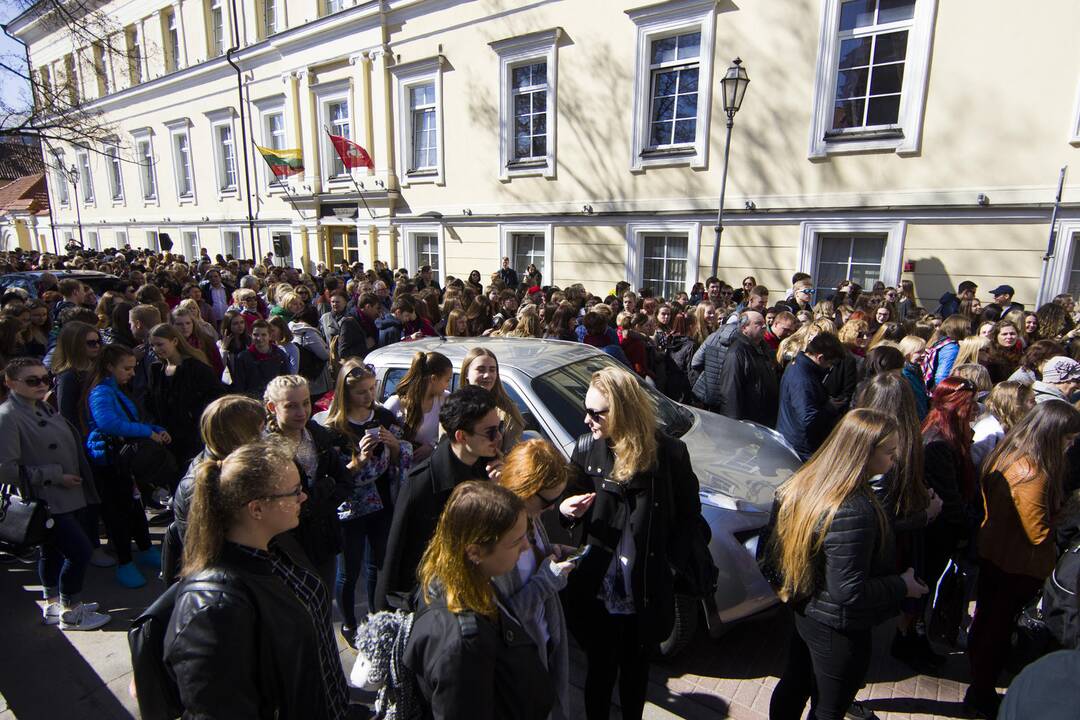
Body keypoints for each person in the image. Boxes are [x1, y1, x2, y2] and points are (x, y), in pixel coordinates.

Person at [163, 441, 350, 719]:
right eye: (295, 492)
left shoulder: (277, 544)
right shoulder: (214, 607)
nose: (304, 498)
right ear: (257, 509)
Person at [559, 366, 701, 720]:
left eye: (596, 412)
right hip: (596, 588)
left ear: (623, 410)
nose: (587, 418)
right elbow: (560, 515)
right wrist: (564, 509)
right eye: (586, 409)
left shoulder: (669, 454)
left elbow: (689, 518)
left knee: (636, 673)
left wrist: (669, 567)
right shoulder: (585, 449)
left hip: (646, 587)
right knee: (600, 671)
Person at [767, 409, 928, 720]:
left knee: (795, 682)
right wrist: (902, 585)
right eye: (890, 452)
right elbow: (848, 592)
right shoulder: (853, 508)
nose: (895, 460)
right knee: (829, 706)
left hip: (805, 609)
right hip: (837, 627)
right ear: (863, 453)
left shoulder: (808, 481)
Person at [965, 402, 1080, 718]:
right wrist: (1067, 513)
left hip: (996, 554)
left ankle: (980, 679)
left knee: (988, 622)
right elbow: (1037, 533)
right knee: (997, 628)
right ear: (1051, 435)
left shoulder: (1009, 451)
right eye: (1067, 440)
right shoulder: (1033, 472)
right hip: (1016, 565)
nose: (1070, 447)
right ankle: (982, 690)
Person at [403, 481, 553, 720]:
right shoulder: (461, 644)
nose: (526, 546)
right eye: (515, 542)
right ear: (475, 552)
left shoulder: (466, 579)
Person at [0, 357, 111, 630]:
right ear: (11, 383)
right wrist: (54, 475)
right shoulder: (8, 417)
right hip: (45, 499)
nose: (42, 384)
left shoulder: (40, 407)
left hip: (63, 496)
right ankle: (71, 611)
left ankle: (53, 604)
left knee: (51, 552)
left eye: (45, 378)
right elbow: (5, 469)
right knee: (80, 551)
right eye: (32, 380)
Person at [374, 385, 504, 611]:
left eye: (498, 428)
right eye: (490, 432)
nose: (499, 437)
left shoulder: (488, 469)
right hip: (435, 601)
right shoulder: (422, 484)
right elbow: (395, 556)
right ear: (461, 436)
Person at [314, 361, 412, 642]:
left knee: (378, 564)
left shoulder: (382, 416)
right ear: (346, 393)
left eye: (372, 389)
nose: (369, 397)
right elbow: (334, 476)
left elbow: (399, 460)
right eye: (361, 392)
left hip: (382, 503)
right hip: (350, 510)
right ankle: (349, 624)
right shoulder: (334, 428)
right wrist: (358, 462)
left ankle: (374, 616)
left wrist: (394, 447)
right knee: (349, 569)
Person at [853, 374, 944, 672]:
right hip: (874, 547)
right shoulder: (888, 451)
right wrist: (926, 514)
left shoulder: (861, 435)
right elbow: (879, 519)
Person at [494, 440, 576, 720]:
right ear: (525, 489)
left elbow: (534, 568)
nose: (553, 508)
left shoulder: (528, 517)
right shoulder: (497, 541)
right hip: (522, 667)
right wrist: (548, 580)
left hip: (544, 647)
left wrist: (551, 552)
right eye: (548, 501)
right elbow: (502, 622)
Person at [84, 344, 170, 588]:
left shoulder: (117, 390)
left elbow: (129, 419)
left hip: (122, 460)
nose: (132, 373)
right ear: (110, 367)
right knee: (117, 513)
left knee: (134, 506)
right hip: (109, 461)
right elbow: (109, 423)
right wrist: (147, 432)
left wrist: (155, 430)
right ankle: (125, 561)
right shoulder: (101, 392)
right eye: (127, 368)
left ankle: (144, 548)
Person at [163, 394, 266, 586]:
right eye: (260, 430)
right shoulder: (206, 480)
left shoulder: (230, 466)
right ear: (240, 434)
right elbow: (212, 549)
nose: (265, 436)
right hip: (223, 582)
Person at [263, 375, 351, 591]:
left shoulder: (318, 437)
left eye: (305, 403)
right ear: (272, 407)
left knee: (323, 599)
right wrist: (322, 491)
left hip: (323, 540)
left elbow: (344, 481)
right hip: (287, 546)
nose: (301, 412)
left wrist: (322, 501)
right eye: (291, 406)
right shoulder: (266, 448)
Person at [921, 376, 980, 614]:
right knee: (927, 579)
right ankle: (910, 634)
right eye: (971, 404)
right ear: (956, 405)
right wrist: (966, 529)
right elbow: (949, 497)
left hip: (944, 526)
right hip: (936, 530)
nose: (976, 410)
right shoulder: (938, 443)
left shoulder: (951, 432)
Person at [145, 323, 225, 470]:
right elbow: (152, 401)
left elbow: (215, 397)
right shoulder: (156, 370)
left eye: (160, 344)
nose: (156, 349)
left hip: (193, 436)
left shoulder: (196, 368)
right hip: (167, 437)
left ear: (175, 342)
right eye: (153, 345)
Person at [695, 311, 779, 426]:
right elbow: (730, 392)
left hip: (763, 419)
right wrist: (733, 425)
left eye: (764, 323)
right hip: (747, 421)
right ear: (745, 328)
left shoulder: (763, 348)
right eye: (758, 323)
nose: (764, 326)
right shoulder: (736, 353)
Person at [776, 332, 846, 461]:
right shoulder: (803, 378)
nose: (830, 368)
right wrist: (830, 407)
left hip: (796, 440)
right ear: (820, 358)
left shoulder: (800, 367)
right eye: (830, 363)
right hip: (800, 447)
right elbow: (808, 418)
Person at [382, 350, 452, 462]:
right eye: (447, 380)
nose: (448, 385)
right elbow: (382, 439)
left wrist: (432, 446)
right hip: (403, 472)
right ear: (433, 379)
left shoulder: (445, 399)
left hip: (431, 468)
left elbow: (453, 432)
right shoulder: (395, 404)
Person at [460, 346, 526, 453]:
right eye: (480, 369)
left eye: (492, 370)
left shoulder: (509, 413)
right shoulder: (453, 408)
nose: (487, 375)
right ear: (466, 373)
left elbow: (513, 456)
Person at [971, 381, 1035, 469]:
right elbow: (975, 467)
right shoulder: (988, 432)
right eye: (1032, 401)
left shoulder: (1010, 427)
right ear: (1015, 405)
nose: (1036, 405)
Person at [232, 319, 291, 398]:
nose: (259, 338)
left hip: (275, 399)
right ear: (251, 335)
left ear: (269, 336)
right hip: (253, 402)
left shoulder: (279, 355)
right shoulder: (243, 357)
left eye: (263, 335)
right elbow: (240, 387)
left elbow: (286, 380)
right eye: (256, 335)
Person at [171, 306, 225, 379]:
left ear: (193, 323)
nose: (185, 327)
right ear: (172, 325)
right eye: (179, 324)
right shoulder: (169, 344)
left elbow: (218, 366)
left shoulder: (206, 340)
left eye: (188, 323)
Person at [922, 315, 971, 390]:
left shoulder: (940, 342)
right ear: (957, 328)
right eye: (967, 328)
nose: (970, 332)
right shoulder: (951, 348)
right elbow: (941, 377)